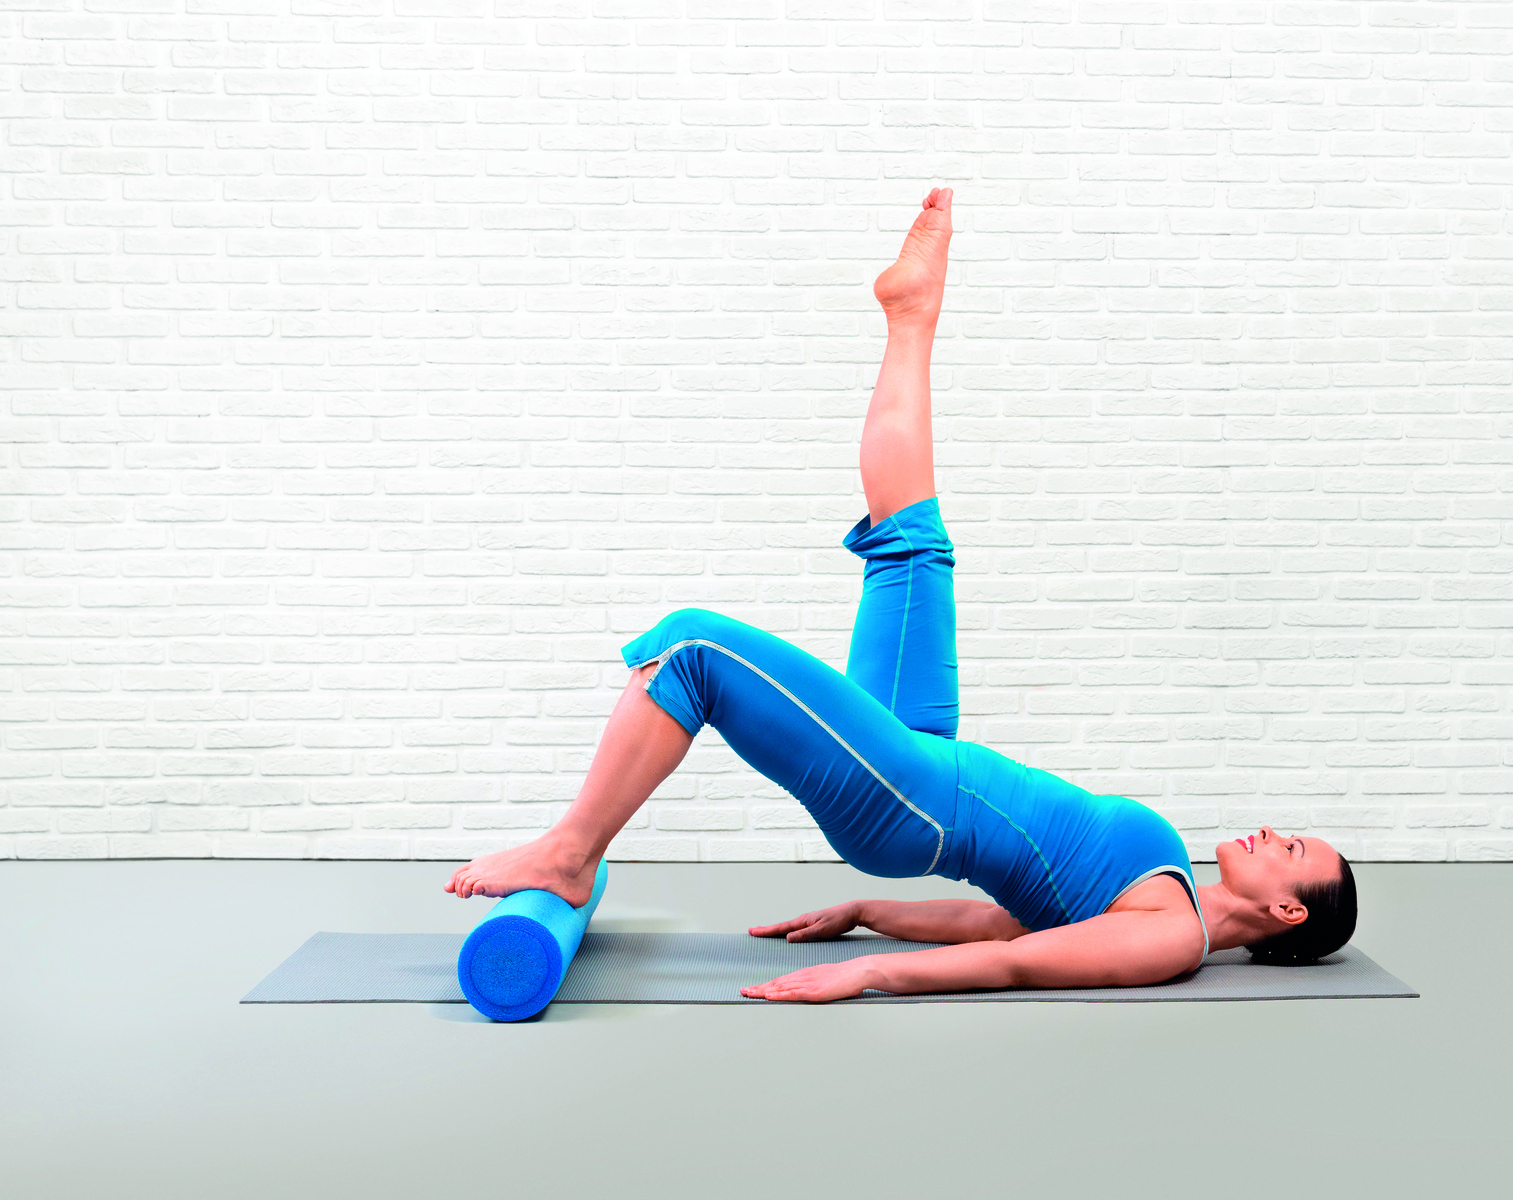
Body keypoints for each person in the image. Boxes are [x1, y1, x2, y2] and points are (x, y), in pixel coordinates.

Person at [445, 188, 1357, 1002]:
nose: (1277, 832)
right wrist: (866, 911)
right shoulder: (1171, 891)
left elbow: (1011, 967)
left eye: (1293, 851)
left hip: (913, 800)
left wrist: (872, 972)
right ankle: (912, 316)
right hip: (926, 759)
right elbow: (1001, 927)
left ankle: (568, 855)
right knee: (911, 545)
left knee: (692, 650)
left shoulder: (1169, 938)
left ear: (1284, 910)